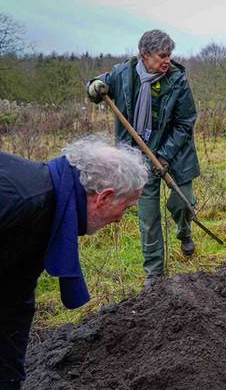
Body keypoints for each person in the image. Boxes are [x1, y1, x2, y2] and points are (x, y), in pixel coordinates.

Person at [0, 135, 148, 390]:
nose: (120, 219)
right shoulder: (21, 202)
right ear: (104, 197)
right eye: (126, 208)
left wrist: (9, 379)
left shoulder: (49, 211)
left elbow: (14, 299)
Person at [87, 29, 200, 287]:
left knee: (184, 203)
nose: (167, 60)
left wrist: (163, 155)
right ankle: (154, 273)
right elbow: (95, 86)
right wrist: (94, 87)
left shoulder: (177, 80)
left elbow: (185, 122)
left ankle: (184, 231)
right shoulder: (123, 75)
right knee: (148, 218)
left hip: (175, 153)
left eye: (169, 55)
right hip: (137, 159)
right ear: (144, 55)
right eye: (162, 55)